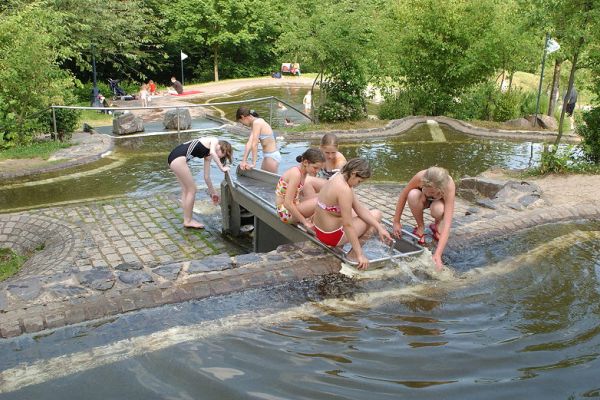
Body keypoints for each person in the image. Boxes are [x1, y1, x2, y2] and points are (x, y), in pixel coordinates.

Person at [313, 158, 392, 270]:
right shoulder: (344, 189)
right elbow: (347, 224)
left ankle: (341, 248)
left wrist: (379, 228)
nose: (358, 185)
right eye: (359, 181)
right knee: (376, 215)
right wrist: (360, 254)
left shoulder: (337, 176)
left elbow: (359, 208)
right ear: (354, 174)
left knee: (373, 219)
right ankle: (353, 255)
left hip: (320, 231)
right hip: (331, 236)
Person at [392, 166, 455, 271]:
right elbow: (403, 195)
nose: (430, 194)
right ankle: (420, 226)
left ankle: (437, 224)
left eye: (433, 192)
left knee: (438, 210)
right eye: (428, 191)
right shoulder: (420, 177)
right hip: (421, 199)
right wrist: (396, 221)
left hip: (439, 203)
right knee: (412, 194)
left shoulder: (449, 185)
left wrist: (437, 254)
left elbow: (448, 224)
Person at [167, 137, 233, 229]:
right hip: (178, 158)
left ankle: (187, 217)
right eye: (224, 154)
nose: (221, 157)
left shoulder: (208, 155)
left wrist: (213, 192)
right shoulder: (214, 140)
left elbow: (206, 177)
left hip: (174, 158)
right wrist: (222, 168)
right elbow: (214, 152)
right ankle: (188, 221)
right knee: (192, 189)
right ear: (222, 147)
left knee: (186, 189)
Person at [275, 148, 325, 229]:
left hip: (293, 205)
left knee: (323, 196)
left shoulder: (304, 173)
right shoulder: (296, 174)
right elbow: (288, 203)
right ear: (305, 162)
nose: (317, 171)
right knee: (320, 201)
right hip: (285, 212)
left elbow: (296, 196)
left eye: (319, 169)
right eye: (315, 168)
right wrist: (305, 222)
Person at [236, 107, 281, 173]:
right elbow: (249, 144)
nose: (243, 125)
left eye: (242, 122)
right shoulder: (256, 122)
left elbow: (255, 144)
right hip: (269, 156)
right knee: (263, 180)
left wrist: (253, 163)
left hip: (271, 157)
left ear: (242, 117)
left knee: (270, 182)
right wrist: (244, 161)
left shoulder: (257, 123)